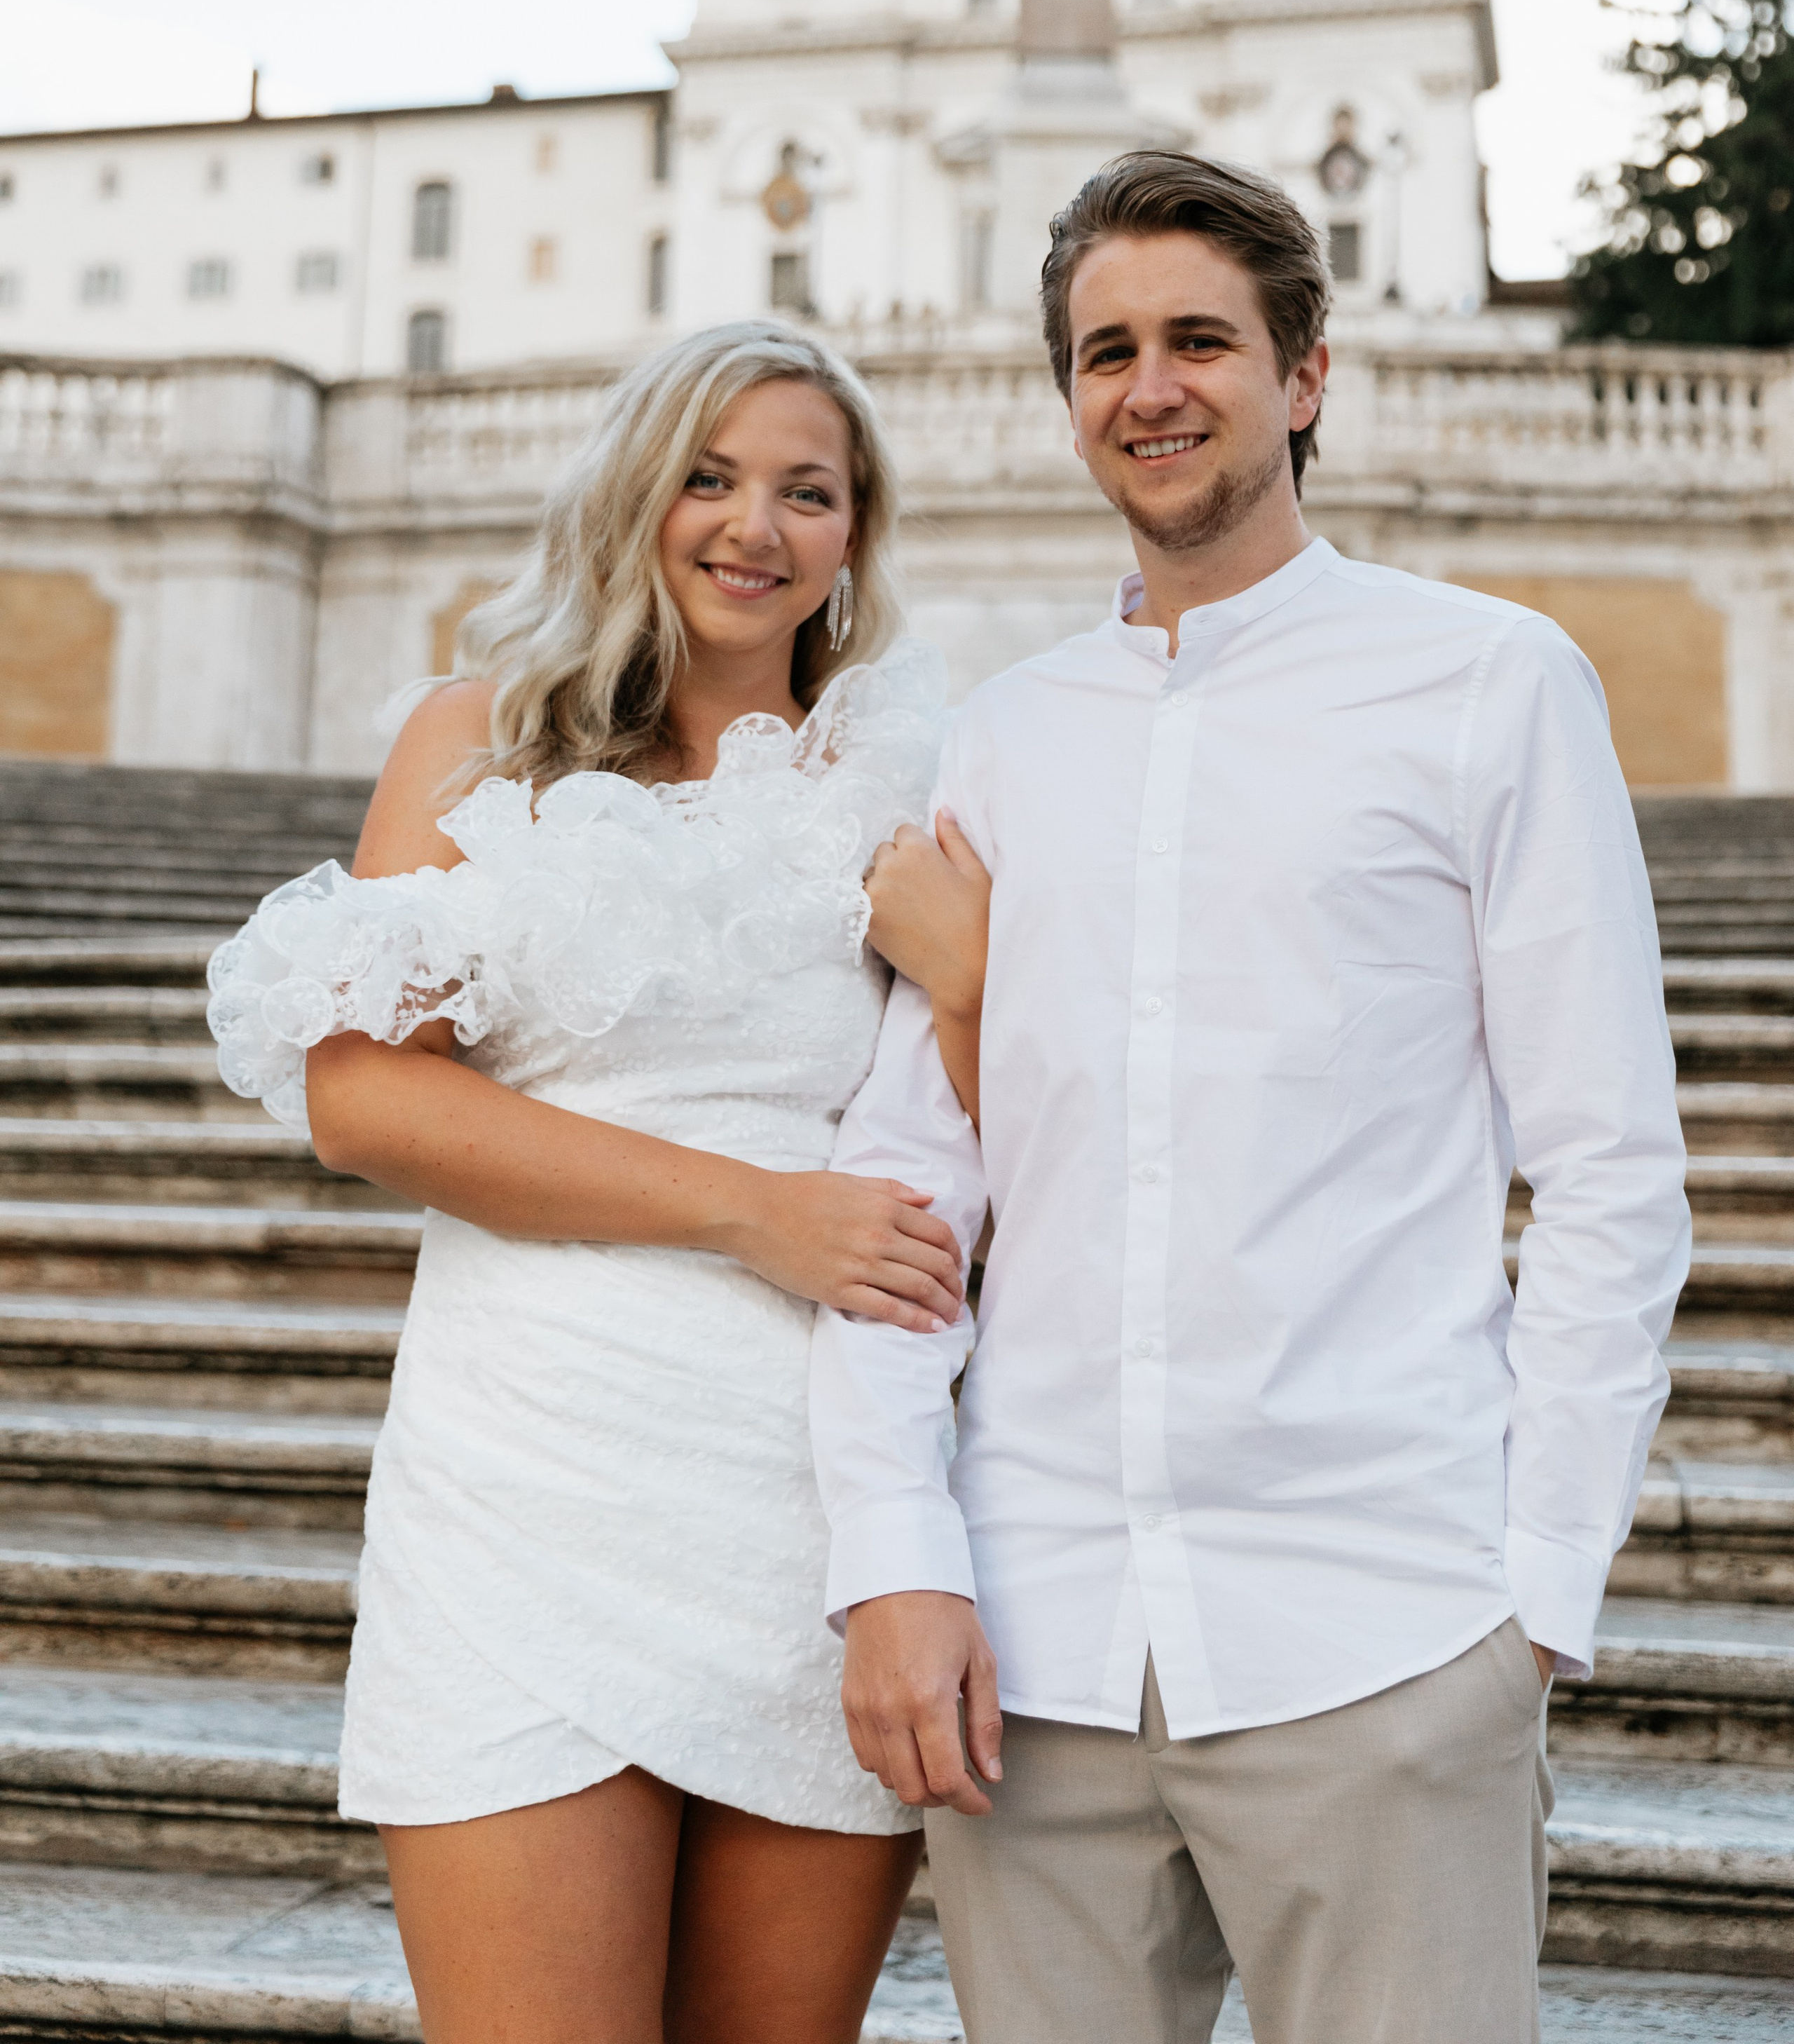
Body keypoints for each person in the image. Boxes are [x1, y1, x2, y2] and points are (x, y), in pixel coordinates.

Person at [811, 152, 1692, 2044]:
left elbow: (1612, 1166)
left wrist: (1535, 1593)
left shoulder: (1487, 685)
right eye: (1105, 349)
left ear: (1304, 373)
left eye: (1200, 338)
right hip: (1029, 1662)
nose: (1152, 385)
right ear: (1067, 400)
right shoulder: (1001, 737)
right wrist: (893, 1553)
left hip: (1384, 1629)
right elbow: (902, 1195)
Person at [207, 320, 985, 2044]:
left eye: (807, 490)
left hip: (812, 1506)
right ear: (635, 491)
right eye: (708, 477)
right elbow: (361, 1103)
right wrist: (751, 1209)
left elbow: (1026, 1105)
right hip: (527, 1488)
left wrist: (975, 973)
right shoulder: (482, 743)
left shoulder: (899, 780)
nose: (752, 526)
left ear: (855, 533)